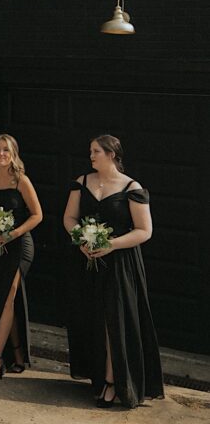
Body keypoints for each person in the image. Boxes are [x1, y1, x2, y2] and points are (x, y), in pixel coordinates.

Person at [63, 134, 164, 409]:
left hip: (120, 263)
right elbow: (69, 218)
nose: (91, 156)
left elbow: (145, 231)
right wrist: (81, 240)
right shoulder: (81, 183)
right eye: (91, 151)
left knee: (113, 320)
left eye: (96, 151)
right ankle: (98, 376)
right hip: (87, 261)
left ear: (111, 154)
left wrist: (110, 245)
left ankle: (113, 381)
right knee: (92, 317)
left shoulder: (132, 187)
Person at [0, 134, 43, 383]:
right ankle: (18, 354)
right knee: (5, 300)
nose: (1, 154)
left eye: (6, 150)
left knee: (8, 298)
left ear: (14, 154)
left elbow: (37, 215)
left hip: (19, 246)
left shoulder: (20, 181)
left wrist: (13, 234)